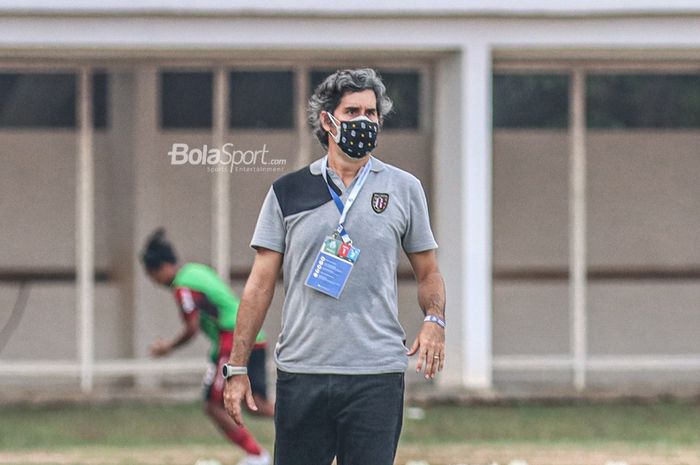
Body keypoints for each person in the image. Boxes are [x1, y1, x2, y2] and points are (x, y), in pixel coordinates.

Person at [223, 68, 446, 465]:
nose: (365, 121)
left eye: (372, 113)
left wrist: (435, 320)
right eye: (353, 111)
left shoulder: (403, 189)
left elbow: (428, 271)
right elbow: (259, 287)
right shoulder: (287, 193)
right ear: (327, 120)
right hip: (303, 370)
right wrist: (237, 367)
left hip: (375, 373)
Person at [141, 229, 273, 465]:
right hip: (254, 336)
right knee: (257, 404)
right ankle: (310, 428)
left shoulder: (182, 286)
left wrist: (167, 347)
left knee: (214, 405)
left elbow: (191, 327)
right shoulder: (196, 271)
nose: (154, 282)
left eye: (151, 275)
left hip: (233, 340)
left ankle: (257, 455)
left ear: (160, 268)